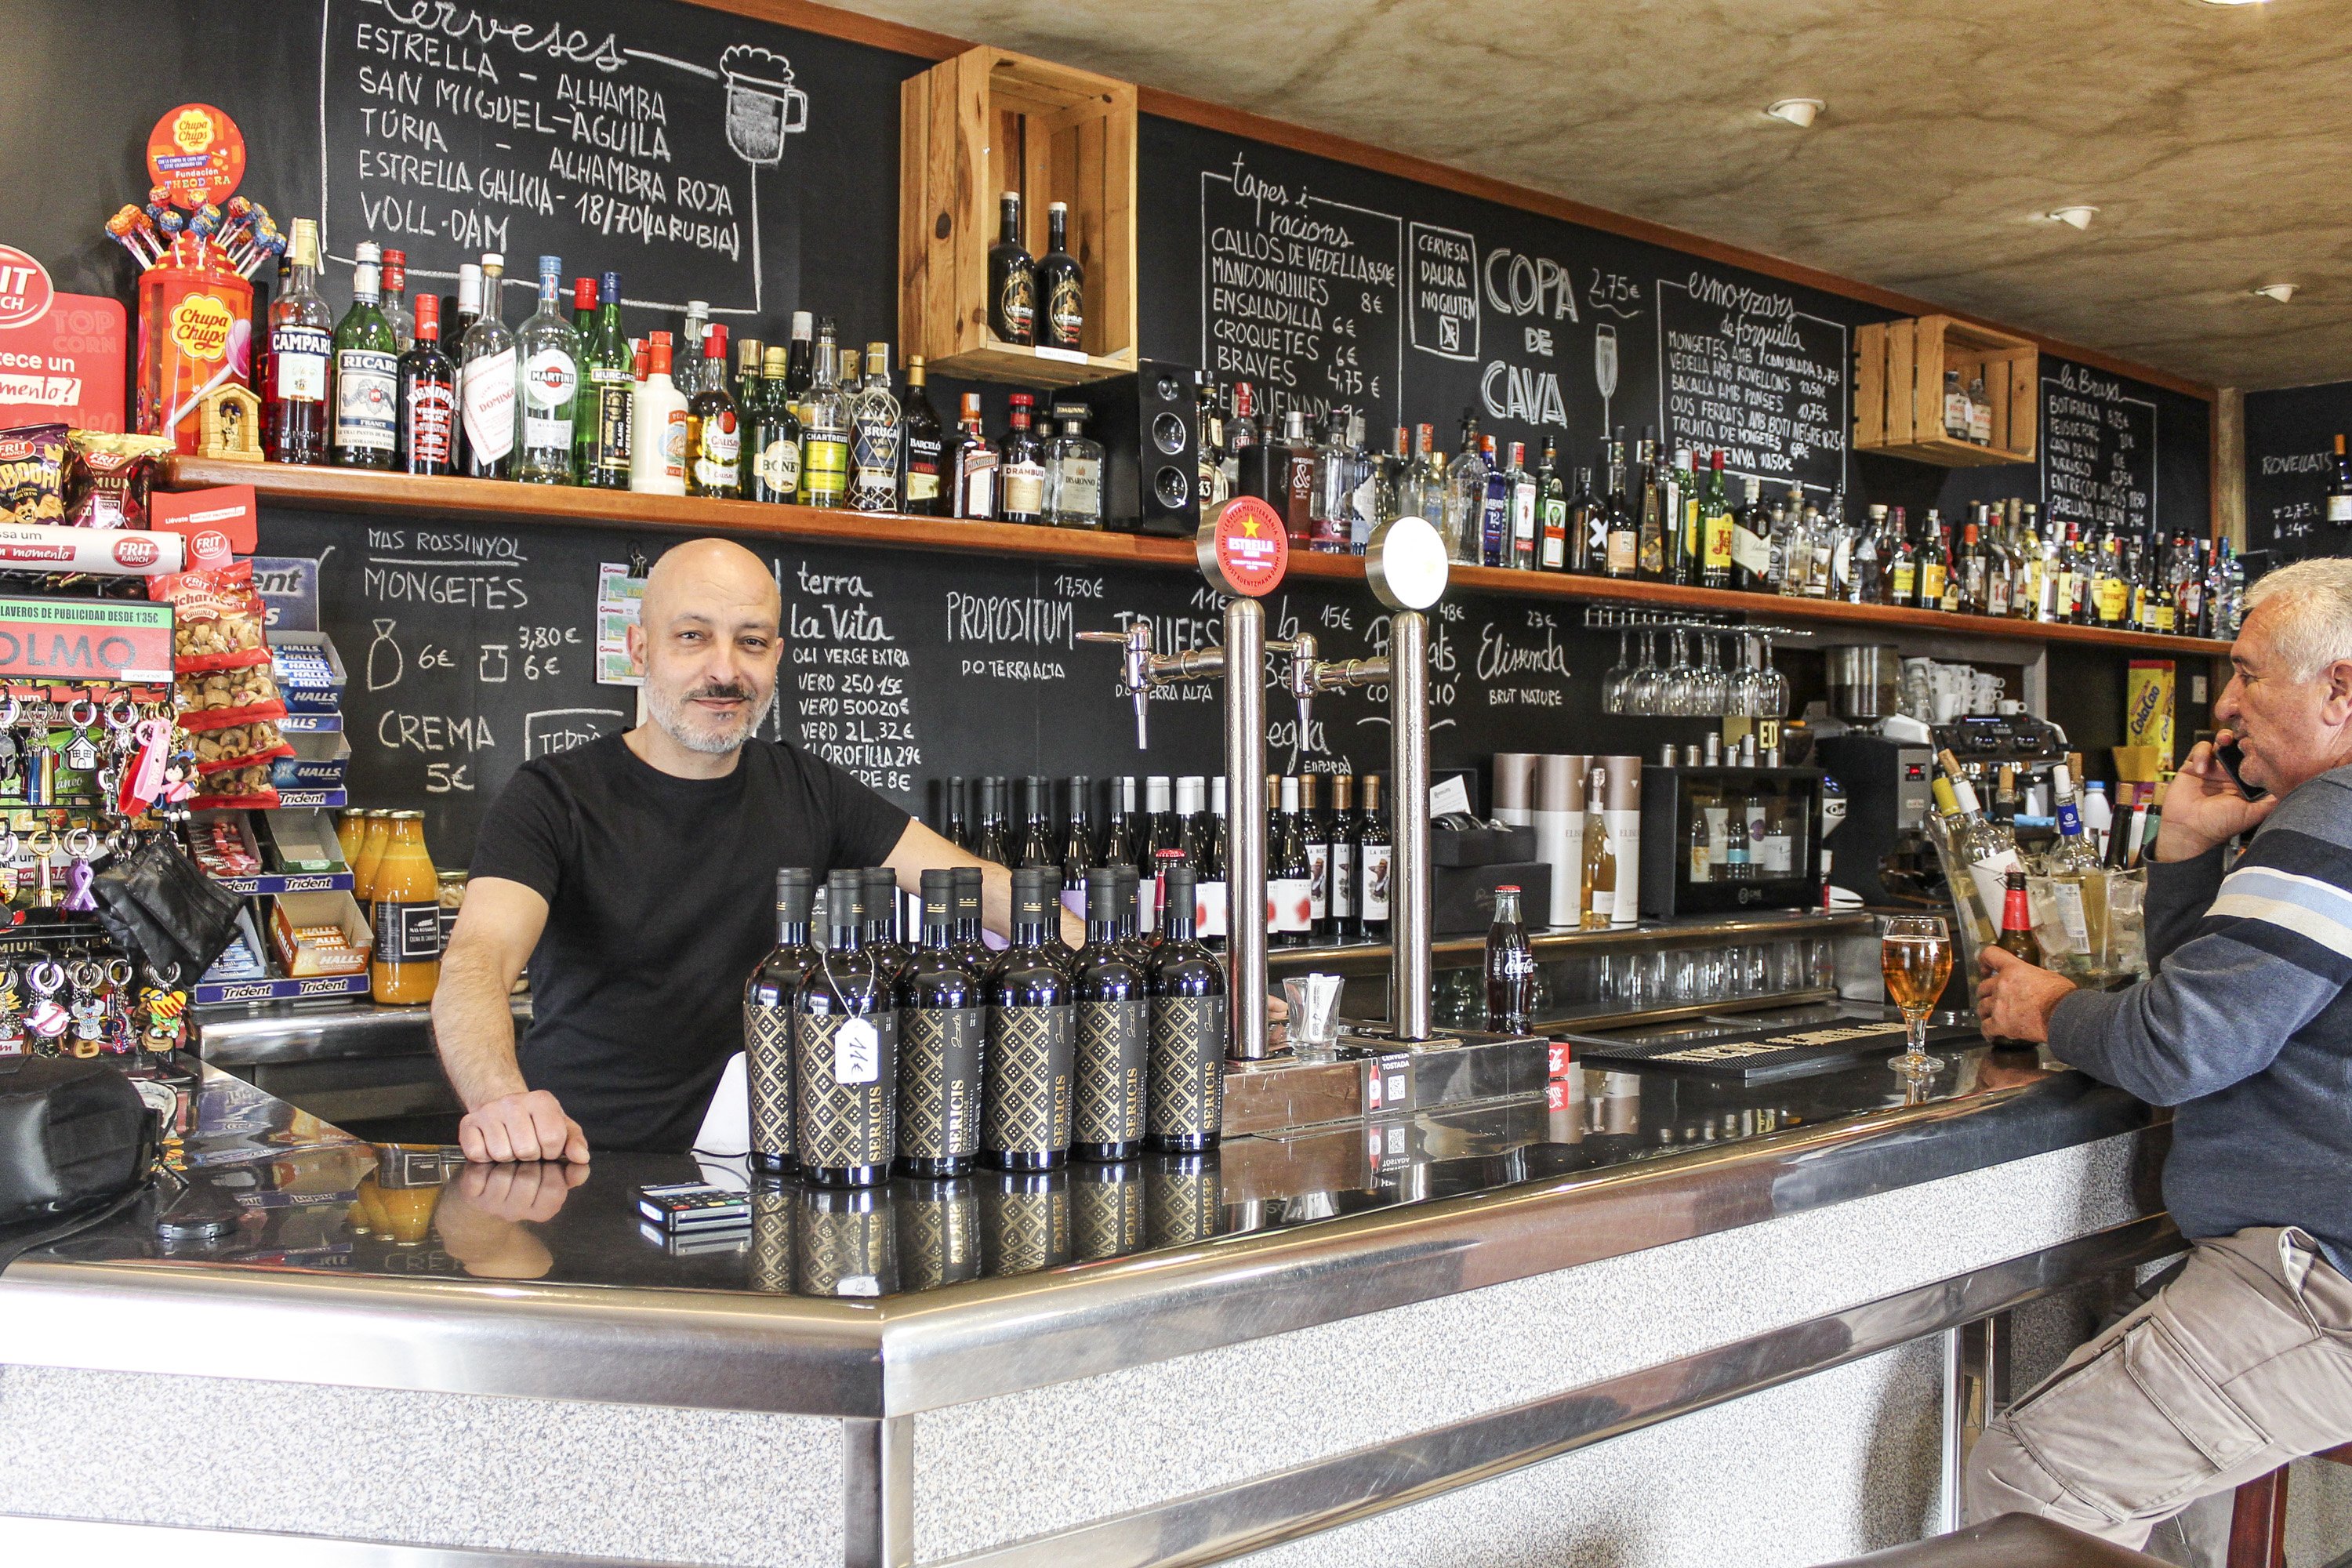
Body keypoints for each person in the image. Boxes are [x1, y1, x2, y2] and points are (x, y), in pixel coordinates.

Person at [432, 538, 1071, 1163]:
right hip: (588, 1163)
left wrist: (1104, 958)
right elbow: (477, 961)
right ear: (639, 649)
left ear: (776, 657)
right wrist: (501, 1102)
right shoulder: (553, 797)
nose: (725, 670)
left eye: (752, 642)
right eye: (693, 636)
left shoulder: (805, 786)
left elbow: (972, 884)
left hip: (760, 1164)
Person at [1965, 556, 2352, 1548]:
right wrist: (2183, 853)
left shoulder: (2339, 819)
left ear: (2340, 689)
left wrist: (2049, 1006)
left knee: (2031, 1480)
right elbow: (2216, 1009)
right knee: (2177, 1510)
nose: (2224, 704)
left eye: (2249, 674)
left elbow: (2179, 1044)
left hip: (2331, 1284)